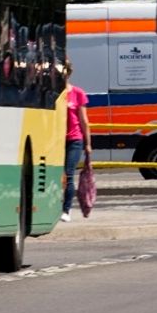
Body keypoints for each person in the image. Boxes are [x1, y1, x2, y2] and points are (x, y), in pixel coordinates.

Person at [61, 64, 92, 223]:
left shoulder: (77, 93)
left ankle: (66, 209)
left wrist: (88, 144)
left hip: (74, 140)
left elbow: (84, 121)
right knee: (58, 175)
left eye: (65, 70)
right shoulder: (55, 93)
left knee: (68, 173)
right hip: (58, 141)